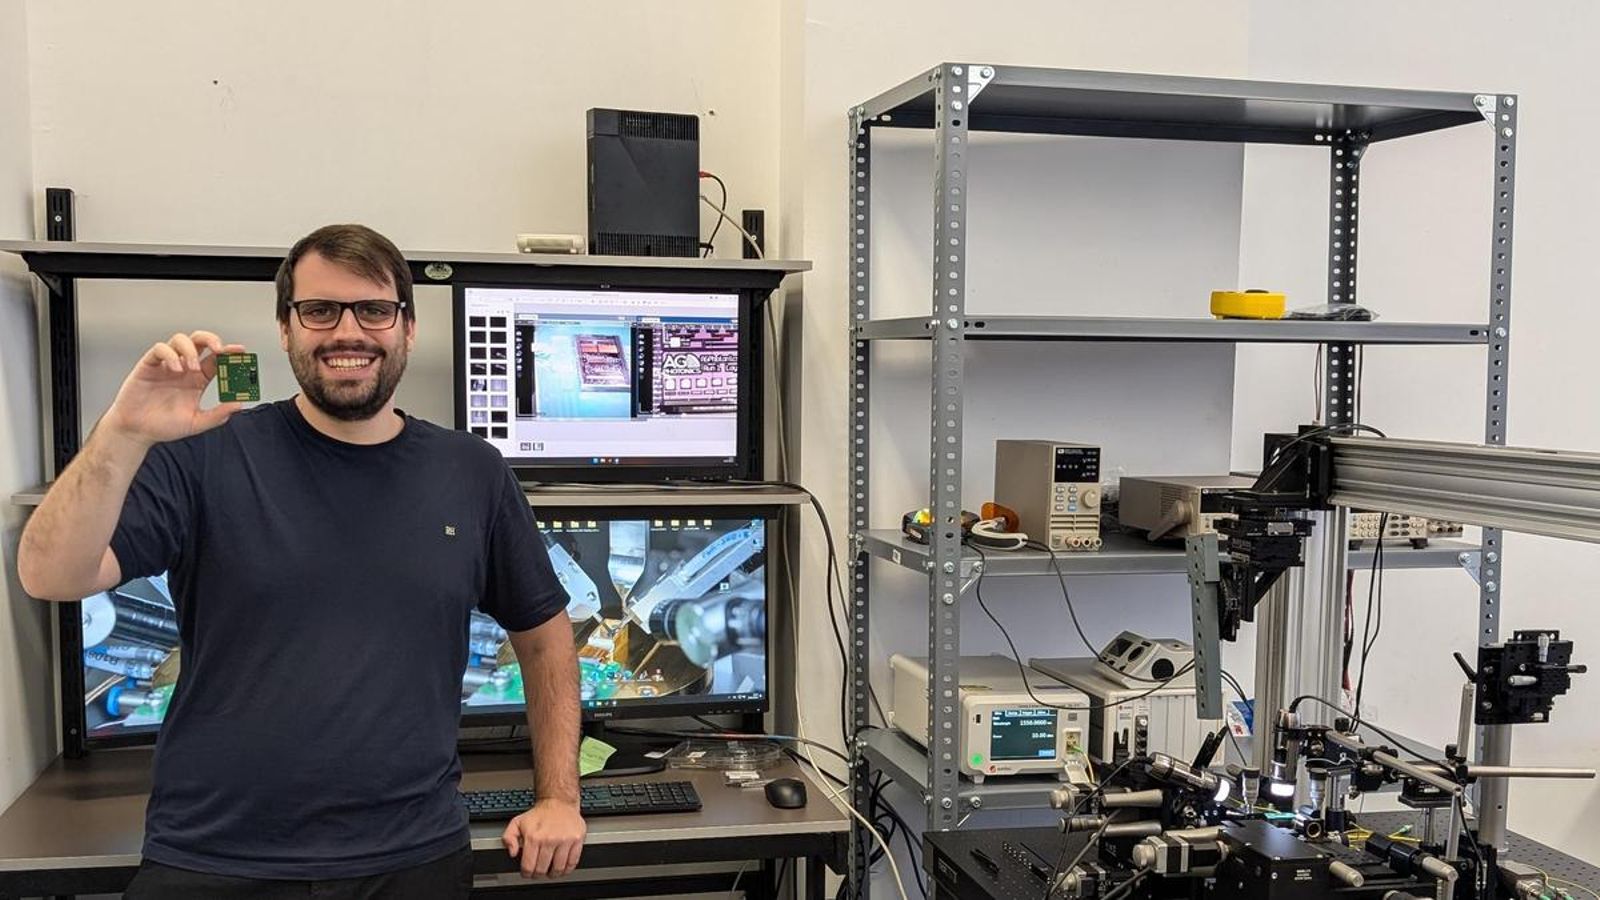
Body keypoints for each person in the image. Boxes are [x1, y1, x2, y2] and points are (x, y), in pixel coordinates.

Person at [17, 224, 586, 898]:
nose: (349, 331)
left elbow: (546, 639)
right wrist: (123, 432)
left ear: (407, 329)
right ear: (285, 330)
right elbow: (50, 574)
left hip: (412, 859)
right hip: (215, 858)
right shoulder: (204, 456)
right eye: (319, 310)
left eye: (374, 309)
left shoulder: (473, 471)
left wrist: (560, 798)